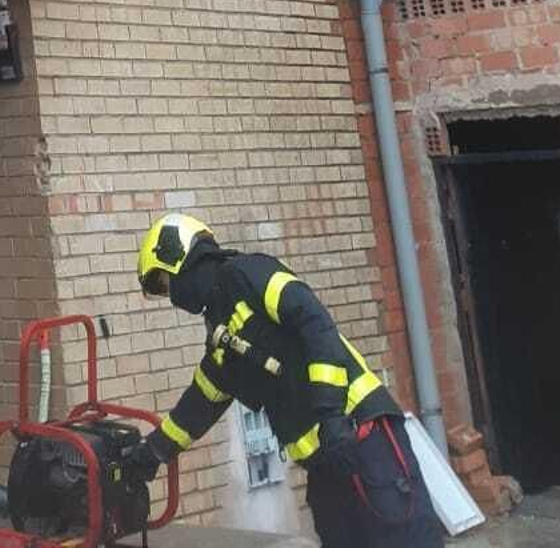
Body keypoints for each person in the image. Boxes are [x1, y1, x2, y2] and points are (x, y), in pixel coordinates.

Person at [121, 213, 444, 547]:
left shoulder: (249, 273)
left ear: (177, 256)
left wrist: (332, 416)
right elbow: (203, 400)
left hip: (362, 437)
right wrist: (154, 451)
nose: (171, 295)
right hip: (325, 466)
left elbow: (315, 324)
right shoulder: (220, 326)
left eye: (164, 283)